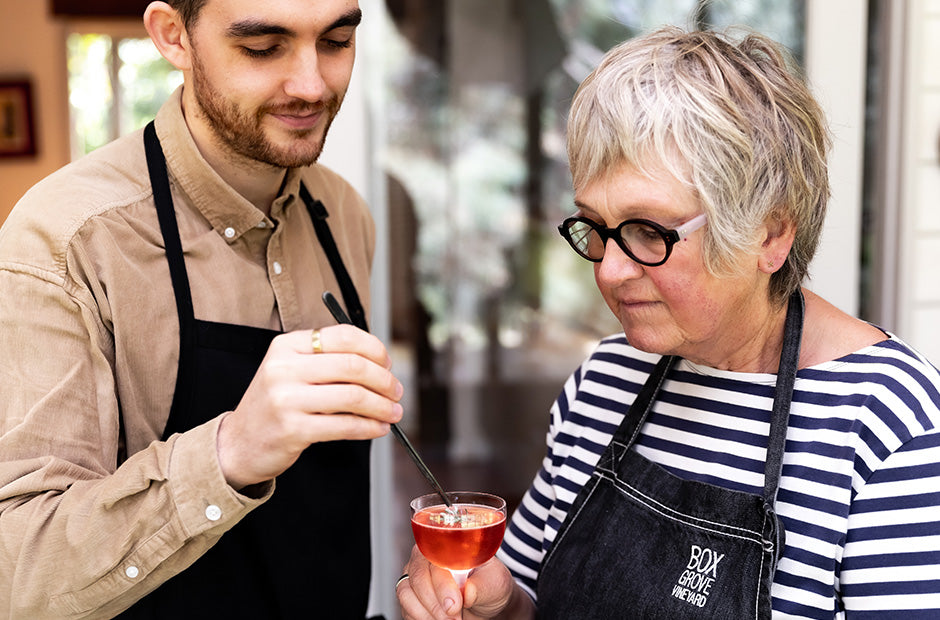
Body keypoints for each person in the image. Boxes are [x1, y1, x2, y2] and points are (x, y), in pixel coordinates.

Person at [397, 26, 940, 619]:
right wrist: (495, 609)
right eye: (597, 228)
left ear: (770, 233)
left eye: (647, 231)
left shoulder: (887, 424)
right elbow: (531, 603)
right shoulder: (602, 382)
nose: (609, 271)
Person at [0, 0, 403, 618]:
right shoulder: (67, 239)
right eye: (263, 48)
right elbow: (19, 573)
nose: (311, 84)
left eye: (336, 41)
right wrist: (231, 452)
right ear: (173, 36)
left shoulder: (345, 213)